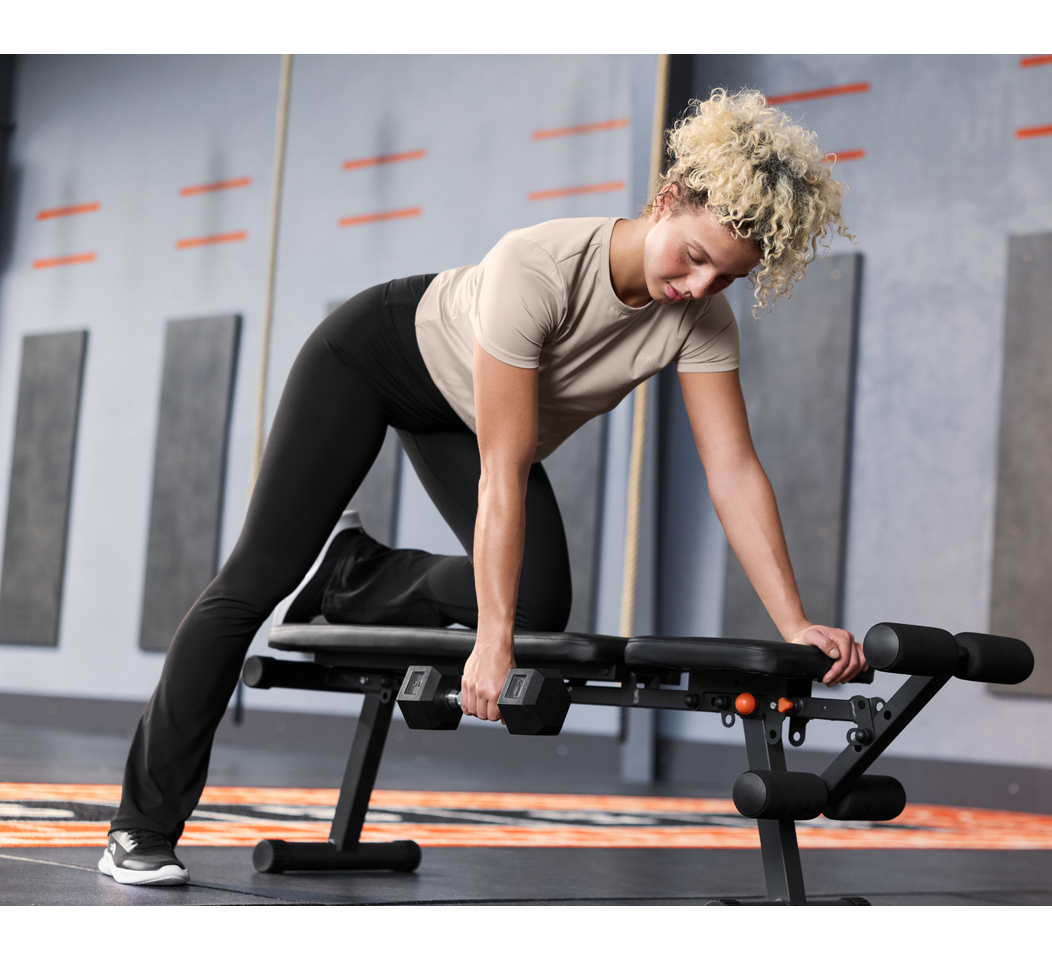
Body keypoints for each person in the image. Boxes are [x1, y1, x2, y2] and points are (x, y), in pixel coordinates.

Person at [98, 88, 867, 886]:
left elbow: (733, 470)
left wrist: (793, 619)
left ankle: (354, 573)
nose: (700, 286)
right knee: (254, 580)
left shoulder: (701, 323)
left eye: (727, 278)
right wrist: (486, 640)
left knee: (539, 606)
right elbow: (502, 467)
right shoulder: (538, 265)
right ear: (668, 199)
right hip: (377, 358)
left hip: (479, 414)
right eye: (694, 255)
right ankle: (139, 827)